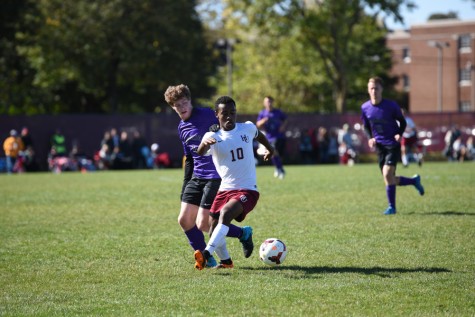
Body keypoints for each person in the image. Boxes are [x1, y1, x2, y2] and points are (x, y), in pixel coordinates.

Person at [164, 84, 253, 268]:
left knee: (204, 223)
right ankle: (209, 259)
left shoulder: (208, 115)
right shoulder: (182, 127)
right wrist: (185, 185)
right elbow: (189, 158)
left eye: (184, 102)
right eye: (177, 105)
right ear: (173, 107)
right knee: (184, 220)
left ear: (190, 100)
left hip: (216, 176)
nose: (182, 107)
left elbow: (229, 127)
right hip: (196, 176)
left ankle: (243, 234)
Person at [194, 95, 275, 270]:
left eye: (233, 112)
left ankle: (206, 254)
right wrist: (204, 144)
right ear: (217, 114)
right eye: (225, 113)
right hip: (225, 190)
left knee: (226, 213)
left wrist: (271, 149)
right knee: (213, 227)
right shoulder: (212, 135)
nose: (229, 116)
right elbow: (200, 153)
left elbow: (260, 136)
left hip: (247, 190)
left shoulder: (246, 128)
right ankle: (226, 262)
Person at [361, 77, 425, 215]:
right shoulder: (365, 107)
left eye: (376, 88)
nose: (374, 91)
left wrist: (399, 134)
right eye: (371, 88)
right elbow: (366, 125)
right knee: (390, 179)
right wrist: (370, 137)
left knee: (387, 174)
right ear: (368, 90)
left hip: (392, 144)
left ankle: (392, 208)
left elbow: (402, 122)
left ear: (381, 89)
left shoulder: (391, 106)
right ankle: (414, 181)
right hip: (380, 147)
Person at [256, 96, 287, 179]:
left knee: (273, 152)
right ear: (264, 103)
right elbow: (258, 124)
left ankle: (279, 168)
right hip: (268, 137)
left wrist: (283, 126)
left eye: (270, 101)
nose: (269, 103)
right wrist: (264, 120)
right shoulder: (262, 113)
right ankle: (279, 168)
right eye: (267, 101)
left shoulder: (278, 112)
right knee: (272, 153)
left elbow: (285, 120)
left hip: (278, 136)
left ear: (273, 102)